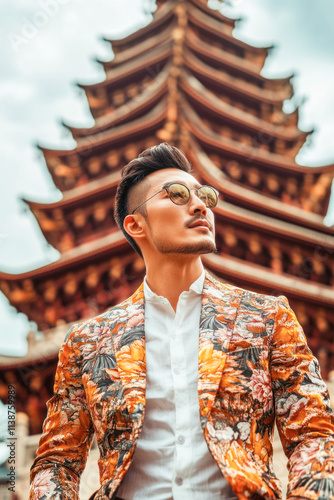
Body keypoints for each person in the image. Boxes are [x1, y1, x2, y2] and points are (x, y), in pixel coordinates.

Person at [29, 143, 334, 500]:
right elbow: (57, 462)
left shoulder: (268, 318)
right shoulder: (87, 341)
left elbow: (314, 435)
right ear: (135, 224)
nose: (200, 204)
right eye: (176, 194)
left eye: (205, 195)